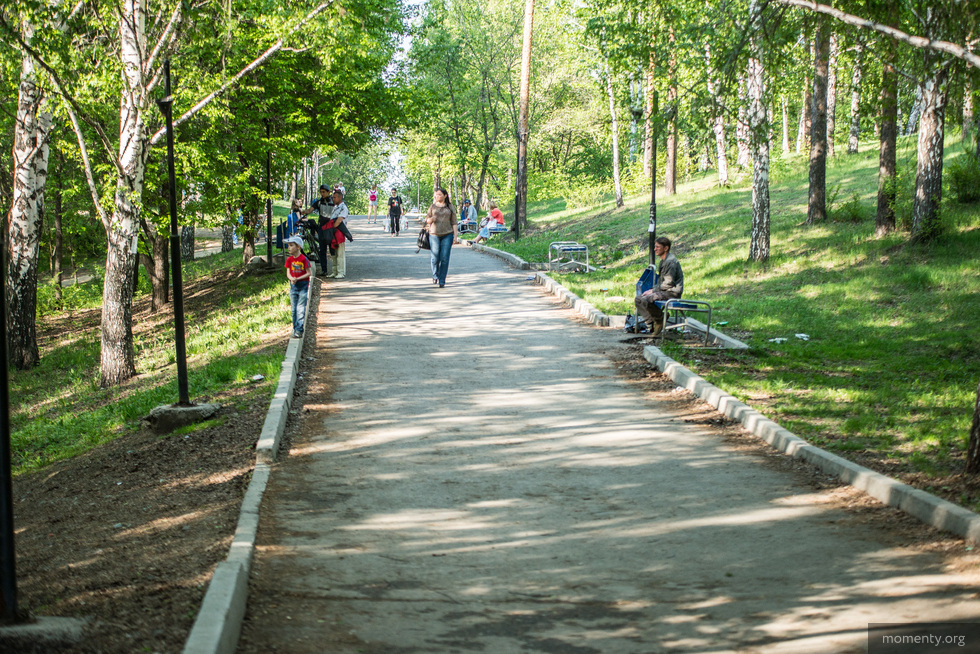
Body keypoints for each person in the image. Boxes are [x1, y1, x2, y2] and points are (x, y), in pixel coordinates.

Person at [634, 236, 684, 336]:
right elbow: (661, 282)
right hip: (664, 291)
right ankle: (655, 321)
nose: (655, 249)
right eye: (655, 246)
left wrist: (653, 291)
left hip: (672, 292)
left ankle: (659, 320)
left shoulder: (670, 262)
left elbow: (668, 283)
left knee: (647, 298)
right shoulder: (663, 261)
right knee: (639, 299)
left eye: (658, 247)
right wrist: (653, 289)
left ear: (666, 248)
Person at [425, 187, 459, 288]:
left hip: (447, 234)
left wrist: (455, 237)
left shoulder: (450, 207)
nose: (437, 196)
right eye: (436, 194)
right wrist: (431, 219)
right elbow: (427, 219)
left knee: (444, 258)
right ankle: (435, 274)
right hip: (434, 234)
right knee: (435, 257)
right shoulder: (432, 207)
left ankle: (442, 279)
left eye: (440, 194)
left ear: (445, 196)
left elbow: (454, 222)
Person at [284, 235, 311, 339]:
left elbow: (309, 272)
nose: (289, 248)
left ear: (298, 247)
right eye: (288, 246)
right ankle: (295, 328)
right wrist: (292, 278)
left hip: (303, 286)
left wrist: (298, 279)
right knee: (293, 309)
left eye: (291, 245)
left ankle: (299, 330)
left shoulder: (304, 259)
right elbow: (288, 273)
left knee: (300, 308)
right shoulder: (289, 260)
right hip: (293, 287)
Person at [325, 189, 350, 279]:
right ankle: (334, 271)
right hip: (333, 232)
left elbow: (339, 220)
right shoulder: (335, 207)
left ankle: (341, 272)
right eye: (333, 197)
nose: (333, 199)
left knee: (340, 253)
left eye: (335, 197)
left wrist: (332, 227)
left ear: (340, 197)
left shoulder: (343, 208)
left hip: (339, 232)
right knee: (333, 253)